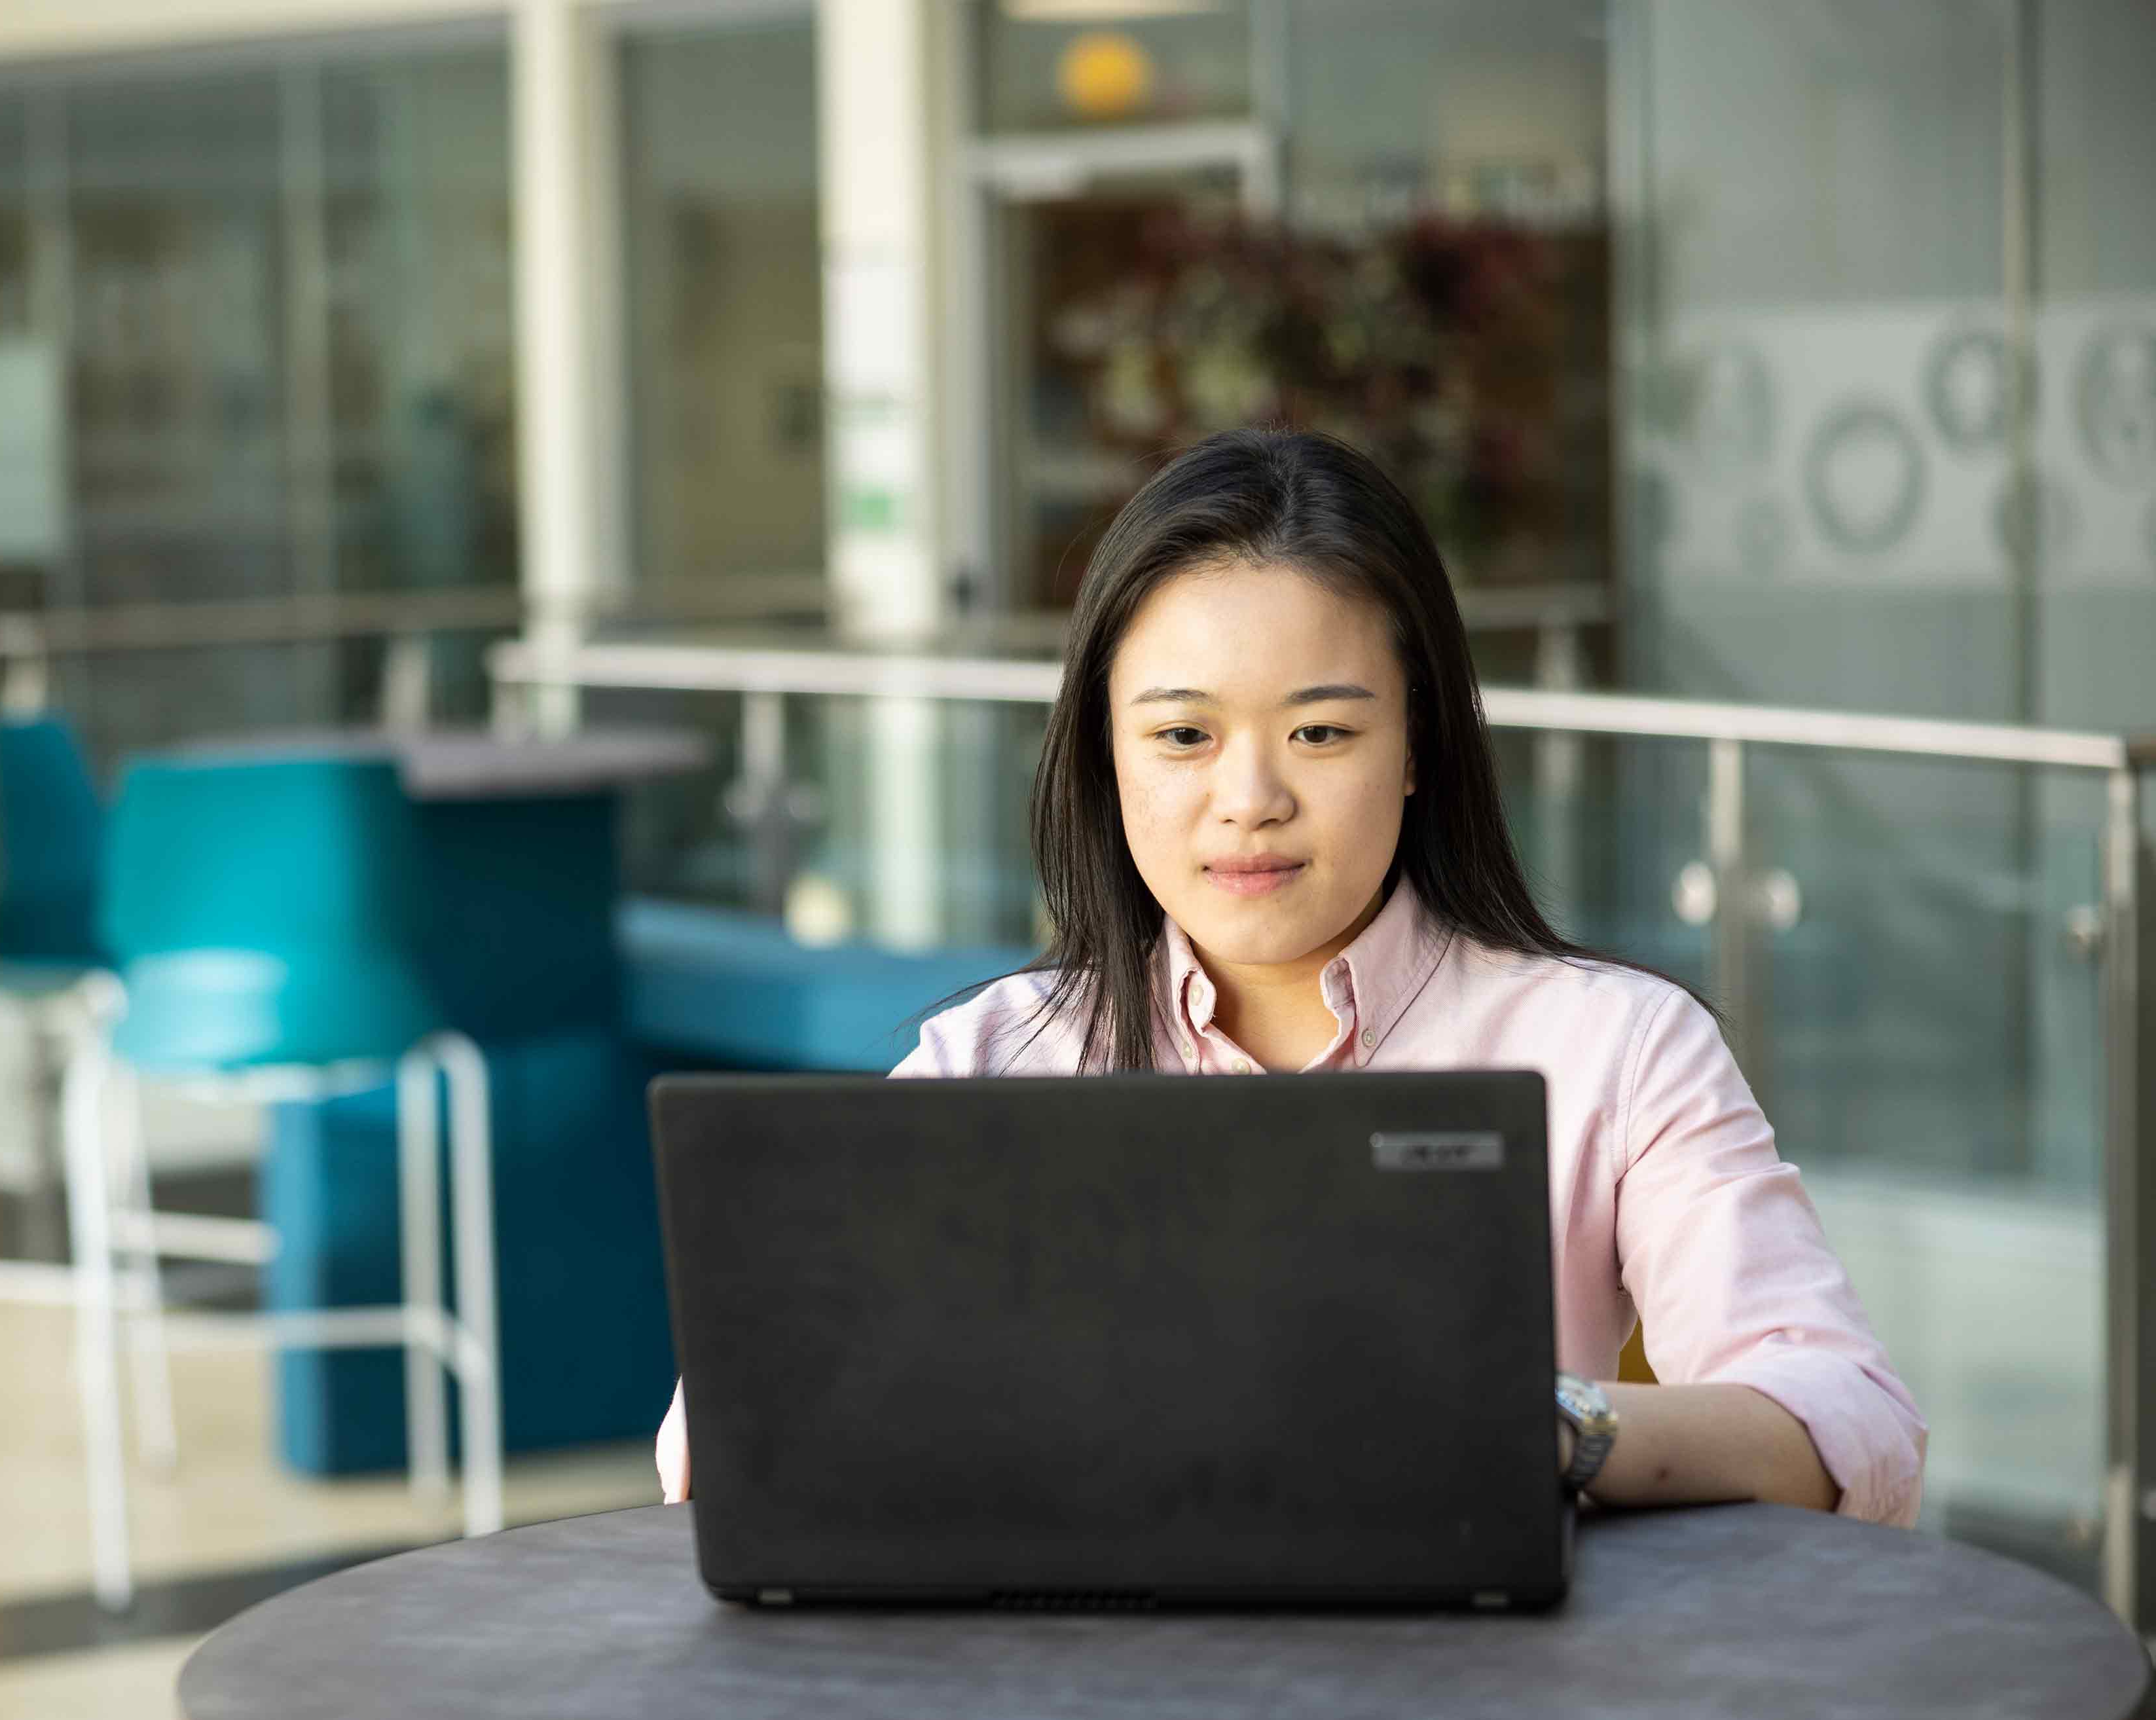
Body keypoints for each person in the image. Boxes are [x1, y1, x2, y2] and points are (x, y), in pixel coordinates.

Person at [654, 428, 1925, 1525]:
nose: (1248, 800)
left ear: (1418, 743)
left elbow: (1845, 1417)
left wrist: (1544, 1430)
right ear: (1107, 757)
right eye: (1181, 736)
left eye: (1319, 732)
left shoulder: (1616, 1048)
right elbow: (715, 1442)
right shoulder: (989, 1063)